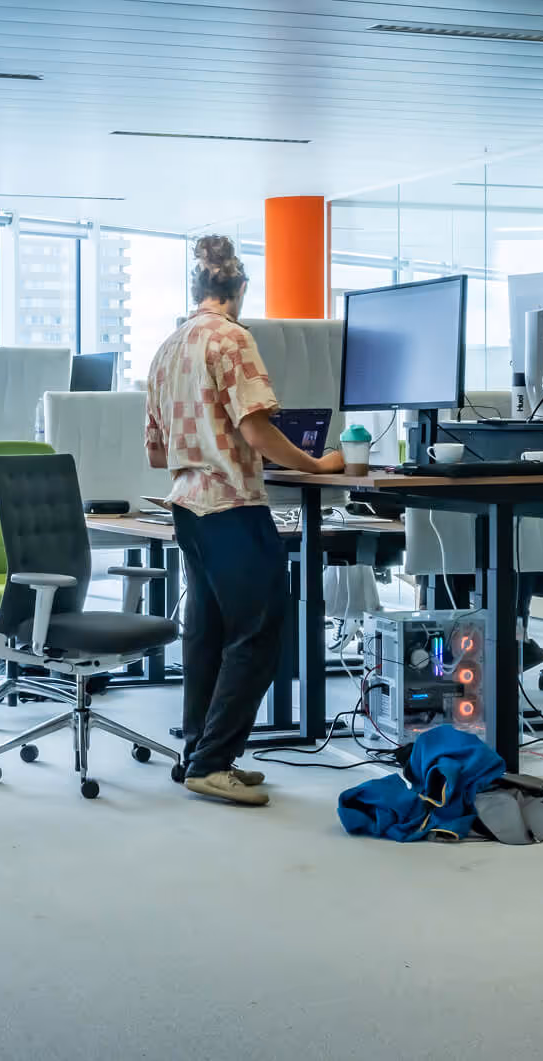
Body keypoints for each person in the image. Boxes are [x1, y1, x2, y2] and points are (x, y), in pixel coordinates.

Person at [144, 235, 345, 807]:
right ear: (240, 290)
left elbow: (157, 453)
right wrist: (315, 463)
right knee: (259, 633)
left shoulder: (166, 348)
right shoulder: (233, 340)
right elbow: (256, 429)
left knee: (207, 633)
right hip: (231, 504)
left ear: (197, 289)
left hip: (186, 504)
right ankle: (212, 762)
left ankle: (197, 754)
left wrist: (204, 440)